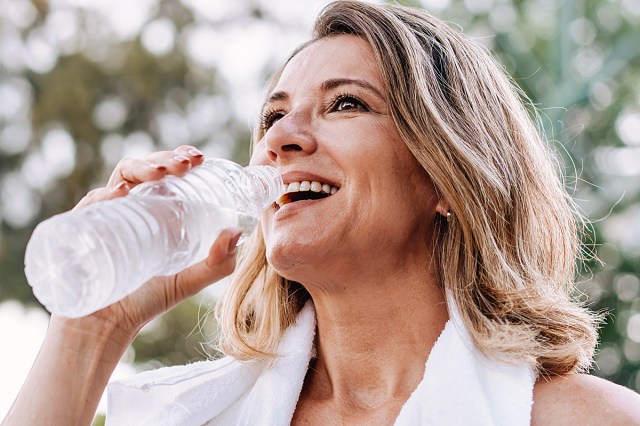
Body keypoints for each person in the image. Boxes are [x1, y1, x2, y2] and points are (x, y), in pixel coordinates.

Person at [4, 1, 640, 425]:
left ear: (447, 176)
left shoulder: (587, 420)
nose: (283, 138)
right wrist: (92, 330)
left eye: (345, 105)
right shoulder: (188, 416)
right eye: (275, 115)